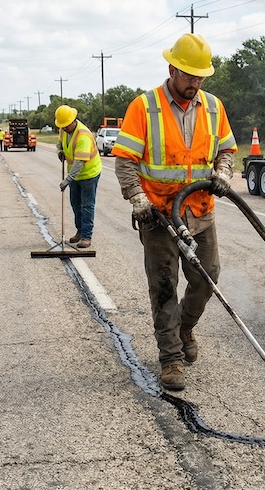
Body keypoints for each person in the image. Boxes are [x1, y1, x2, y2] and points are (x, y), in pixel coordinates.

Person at [111, 33, 237, 392]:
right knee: (164, 286)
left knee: (207, 276)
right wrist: (138, 198)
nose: (195, 84)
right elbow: (125, 161)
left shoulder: (213, 107)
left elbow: (226, 150)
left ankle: (184, 329)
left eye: (200, 78)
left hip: (200, 211)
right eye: (189, 76)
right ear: (171, 69)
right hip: (159, 216)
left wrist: (224, 173)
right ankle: (171, 359)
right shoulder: (144, 107)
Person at [54, 105, 102, 249]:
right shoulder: (63, 129)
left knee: (87, 205)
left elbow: (79, 163)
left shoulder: (83, 135)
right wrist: (60, 151)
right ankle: (80, 231)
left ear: (73, 121)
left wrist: (66, 180)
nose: (63, 128)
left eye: (66, 126)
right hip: (75, 176)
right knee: (75, 204)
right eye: (62, 126)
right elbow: (59, 144)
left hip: (89, 174)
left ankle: (86, 236)